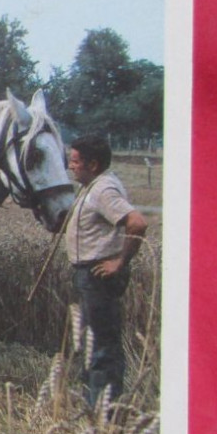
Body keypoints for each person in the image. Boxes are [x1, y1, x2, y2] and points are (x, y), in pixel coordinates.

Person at [63, 135, 149, 407]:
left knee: (102, 342)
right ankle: (93, 401)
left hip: (99, 274)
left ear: (94, 164)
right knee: (93, 338)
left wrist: (119, 262)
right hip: (88, 274)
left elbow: (137, 223)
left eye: (75, 161)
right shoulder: (92, 186)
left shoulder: (103, 190)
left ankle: (105, 408)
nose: (70, 166)